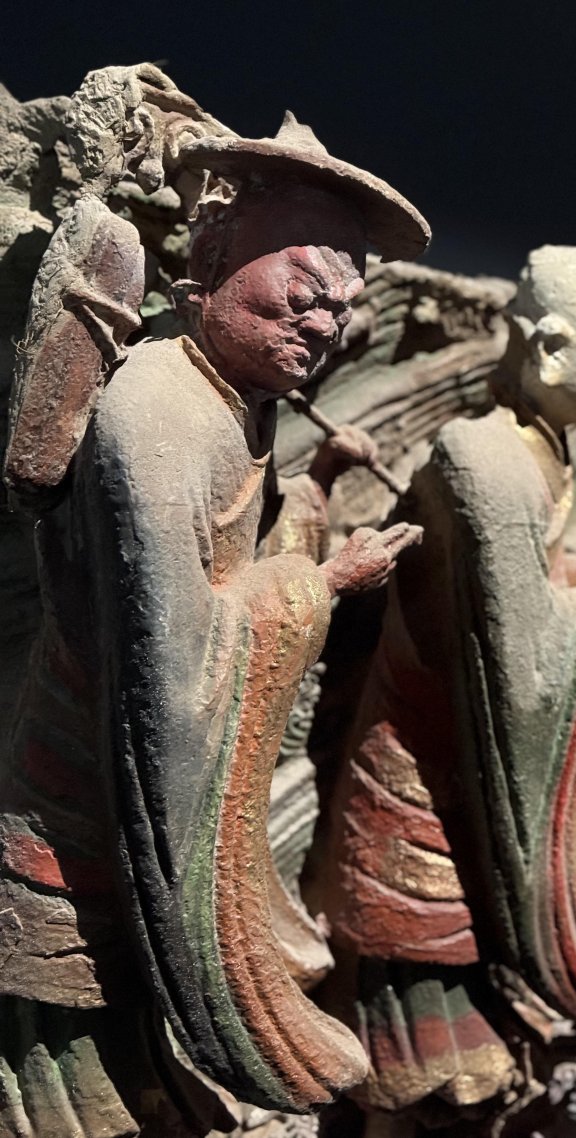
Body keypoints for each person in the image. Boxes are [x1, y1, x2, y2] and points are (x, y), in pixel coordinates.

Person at [0, 111, 429, 1125]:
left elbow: (235, 557)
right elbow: (176, 649)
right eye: (303, 295)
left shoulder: (231, 398)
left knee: (127, 1048)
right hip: (90, 774)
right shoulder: (157, 413)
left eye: (341, 309)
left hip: (120, 759)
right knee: (72, 1059)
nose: (322, 327)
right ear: (213, 259)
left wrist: (315, 485)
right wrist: (326, 585)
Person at [319, 247, 576, 1113]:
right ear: (552, 349)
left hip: (463, 762)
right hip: (424, 774)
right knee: (424, 1054)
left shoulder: (537, 448)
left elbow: (529, 582)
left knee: (477, 1034)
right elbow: (527, 662)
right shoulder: (487, 463)